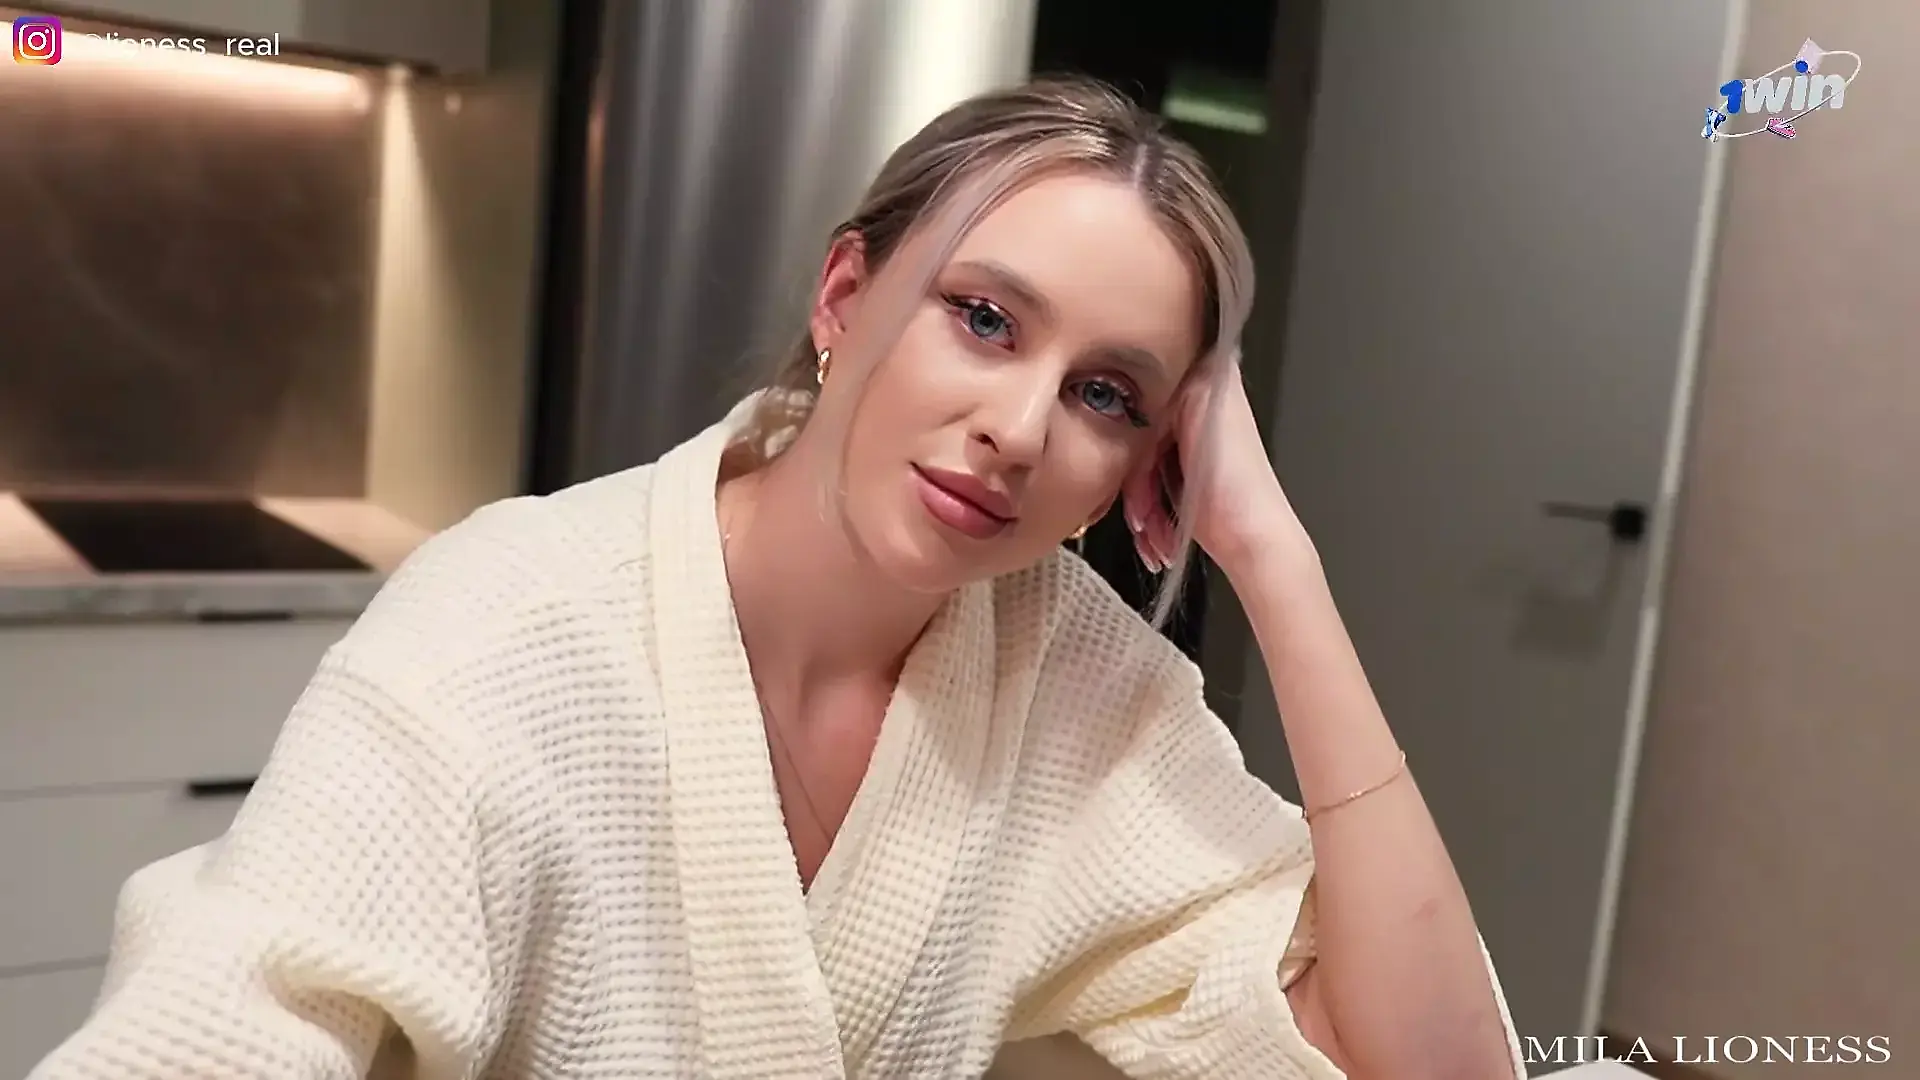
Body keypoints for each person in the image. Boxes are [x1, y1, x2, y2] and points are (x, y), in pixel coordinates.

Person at [31, 77, 1524, 1079]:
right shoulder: (510, 625)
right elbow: (226, 1019)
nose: (1018, 428)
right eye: (986, 319)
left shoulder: (1070, 676)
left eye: (1106, 395)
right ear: (846, 294)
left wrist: (1274, 559)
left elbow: (1436, 1064)